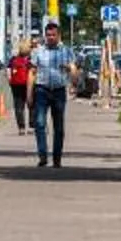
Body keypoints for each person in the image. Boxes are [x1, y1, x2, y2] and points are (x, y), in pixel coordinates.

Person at [29, 20, 80, 167]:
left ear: (58, 35)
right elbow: (32, 72)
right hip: (41, 90)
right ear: (45, 35)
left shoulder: (66, 51)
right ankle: (43, 155)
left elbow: (74, 70)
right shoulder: (38, 51)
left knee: (58, 126)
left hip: (58, 91)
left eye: (53, 35)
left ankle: (57, 158)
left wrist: (72, 75)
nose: (50, 37)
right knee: (39, 123)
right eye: (48, 34)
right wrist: (29, 94)